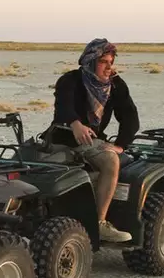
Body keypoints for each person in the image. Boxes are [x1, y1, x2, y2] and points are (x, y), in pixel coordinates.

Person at [47, 37, 138, 243]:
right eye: (103, 62)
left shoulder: (115, 85)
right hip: (61, 137)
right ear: (90, 61)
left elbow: (130, 116)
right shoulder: (70, 80)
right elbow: (63, 105)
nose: (108, 67)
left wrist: (120, 145)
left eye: (111, 62)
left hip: (91, 142)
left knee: (110, 160)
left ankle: (99, 223)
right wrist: (74, 123)